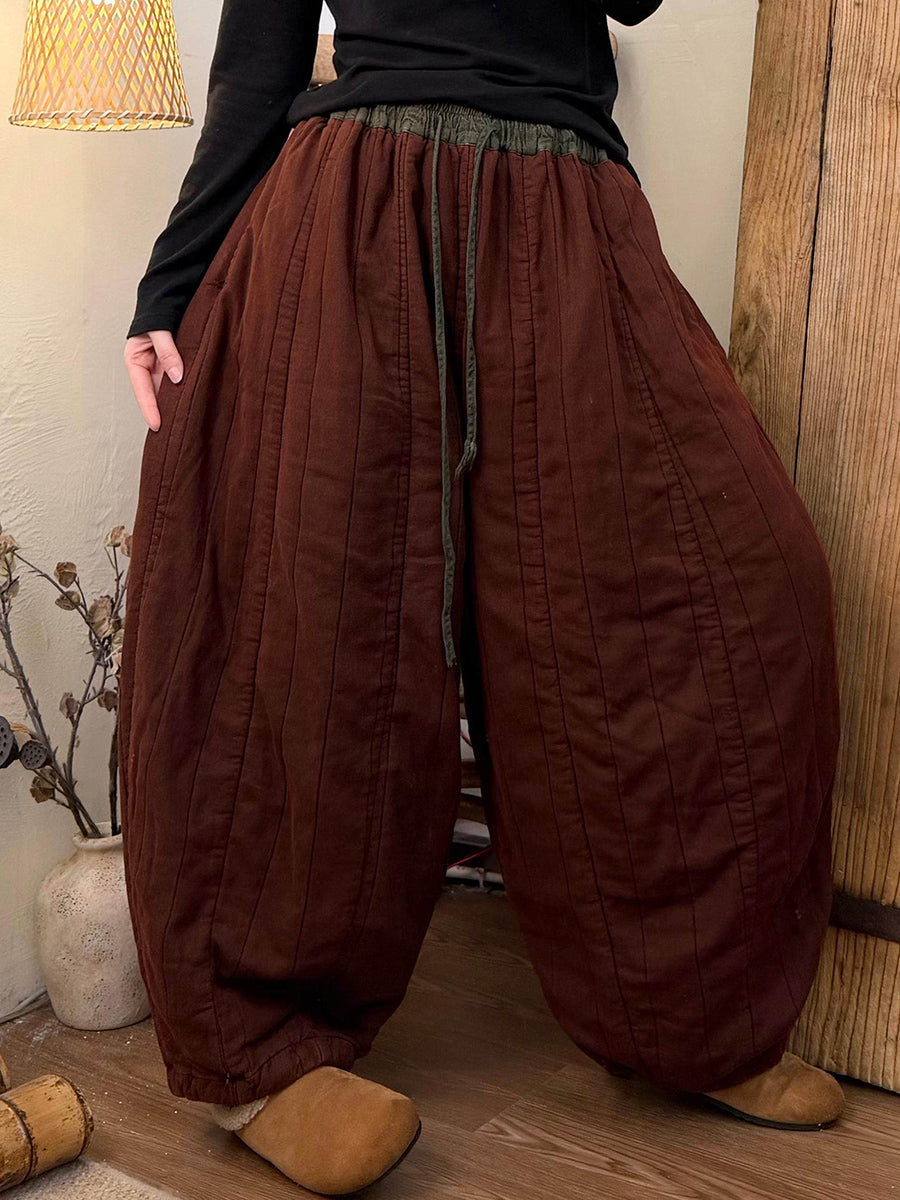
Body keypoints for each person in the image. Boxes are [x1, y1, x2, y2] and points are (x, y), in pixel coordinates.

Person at [120, 1, 845, 1193]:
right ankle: (262, 1054)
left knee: (717, 597)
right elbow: (255, 63)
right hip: (350, 205)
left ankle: (690, 1015)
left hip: (568, 207)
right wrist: (169, 288)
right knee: (310, 624)